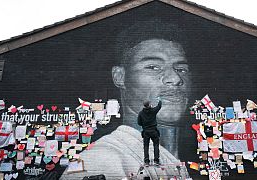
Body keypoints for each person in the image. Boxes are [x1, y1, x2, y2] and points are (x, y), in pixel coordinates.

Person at [61, 18, 191, 179]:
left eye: (181, 69)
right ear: (119, 77)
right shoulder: (100, 161)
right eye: (153, 67)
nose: (175, 78)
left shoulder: (172, 158)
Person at [138, 99, 162, 166]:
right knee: (156, 145)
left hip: (146, 132)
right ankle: (156, 161)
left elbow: (139, 123)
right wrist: (160, 100)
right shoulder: (153, 111)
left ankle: (146, 162)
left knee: (146, 146)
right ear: (149, 105)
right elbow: (159, 106)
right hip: (154, 131)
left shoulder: (141, 113)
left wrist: (144, 124)